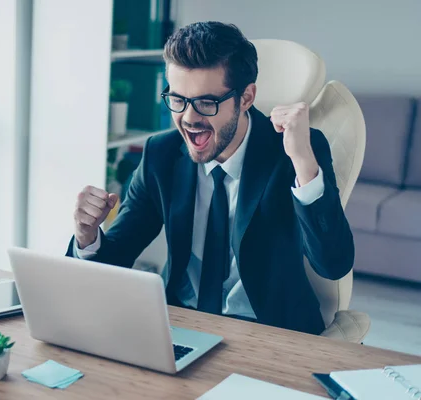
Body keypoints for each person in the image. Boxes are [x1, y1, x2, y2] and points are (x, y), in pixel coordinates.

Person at [66, 21, 354, 335]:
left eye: (206, 103)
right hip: (178, 326)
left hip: (270, 334)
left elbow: (333, 263)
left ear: (245, 98)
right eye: (178, 100)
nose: (189, 119)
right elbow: (114, 259)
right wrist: (87, 237)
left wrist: (303, 164)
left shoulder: (294, 152)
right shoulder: (160, 155)